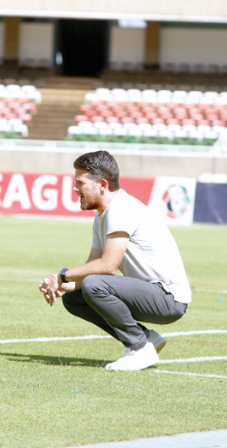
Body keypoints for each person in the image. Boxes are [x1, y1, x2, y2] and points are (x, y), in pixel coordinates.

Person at [39, 151, 191, 371]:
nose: (75, 188)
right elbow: (93, 272)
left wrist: (63, 274)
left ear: (101, 184)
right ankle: (147, 339)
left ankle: (139, 348)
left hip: (169, 299)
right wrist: (64, 285)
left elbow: (107, 267)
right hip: (153, 293)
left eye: (80, 183)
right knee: (74, 298)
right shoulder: (102, 215)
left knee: (93, 286)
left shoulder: (120, 208)